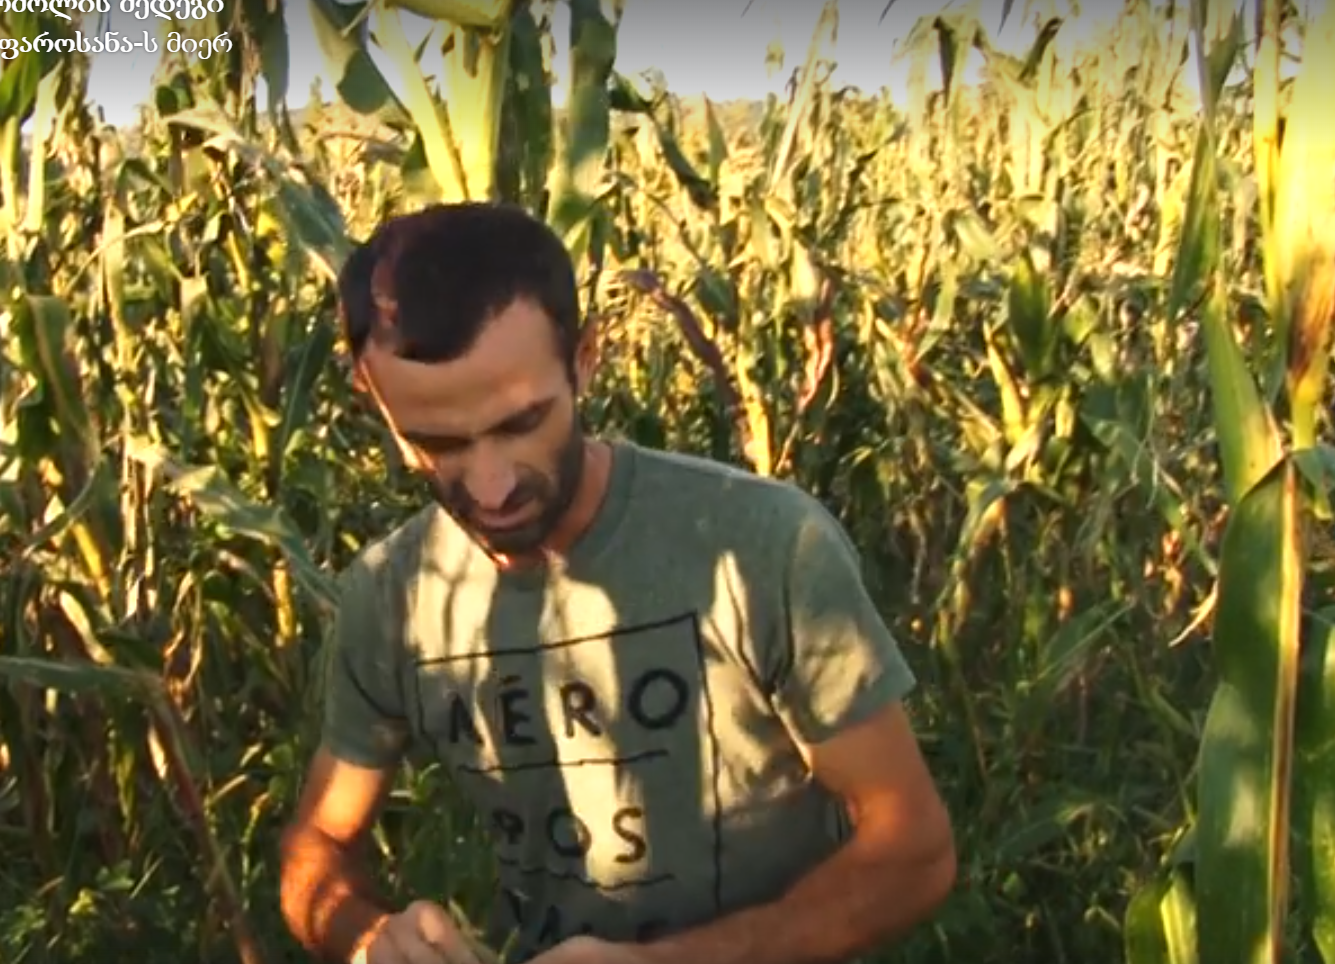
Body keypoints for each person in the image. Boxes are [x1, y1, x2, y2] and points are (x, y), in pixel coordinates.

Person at [276, 202, 955, 964]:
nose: (491, 487)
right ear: (374, 399)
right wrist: (368, 938)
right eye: (437, 442)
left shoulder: (761, 546)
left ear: (586, 359)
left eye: (520, 424)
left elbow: (913, 851)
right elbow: (319, 844)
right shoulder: (391, 597)